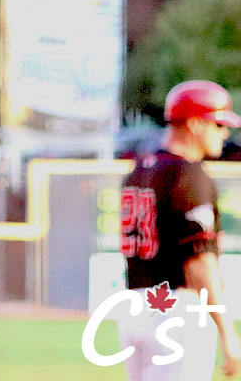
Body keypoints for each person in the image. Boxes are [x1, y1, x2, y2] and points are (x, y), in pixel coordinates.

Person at [118, 79, 241, 380]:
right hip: (175, 310)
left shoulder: (139, 169)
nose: (225, 134)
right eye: (218, 125)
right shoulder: (189, 174)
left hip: (134, 307)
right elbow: (198, 263)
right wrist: (228, 333)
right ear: (196, 124)